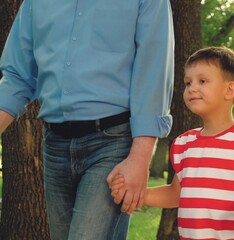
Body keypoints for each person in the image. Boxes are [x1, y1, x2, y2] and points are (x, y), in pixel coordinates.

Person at [0, 0, 174, 239]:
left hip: (113, 144)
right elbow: (17, 77)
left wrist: (141, 157)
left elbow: (153, 67)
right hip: (54, 145)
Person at [111, 46, 234, 239]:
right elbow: (176, 193)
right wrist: (137, 193)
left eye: (202, 81)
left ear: (229, 90)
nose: (192, 88)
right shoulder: (184, 144)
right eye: (188, 83)